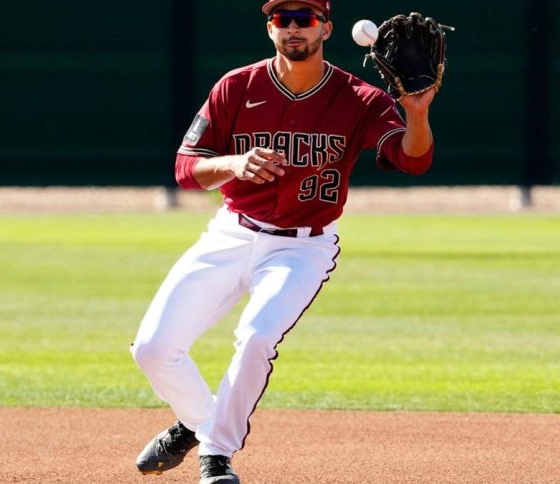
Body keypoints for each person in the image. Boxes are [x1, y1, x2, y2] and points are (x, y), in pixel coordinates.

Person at [131, 1, 435, 482]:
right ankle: (198, 423)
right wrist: (232, 163)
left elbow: (411, 160)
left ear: (326, 28)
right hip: (231, 231)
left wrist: (416, 113)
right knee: (152, 348)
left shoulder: (360, 97)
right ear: (270, 28)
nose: (293, 27)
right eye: (282, 19)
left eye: (305, 18)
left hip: (302, 247)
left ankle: (216, 455)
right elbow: (186, 167)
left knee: (256, 338)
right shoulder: (237, 86)